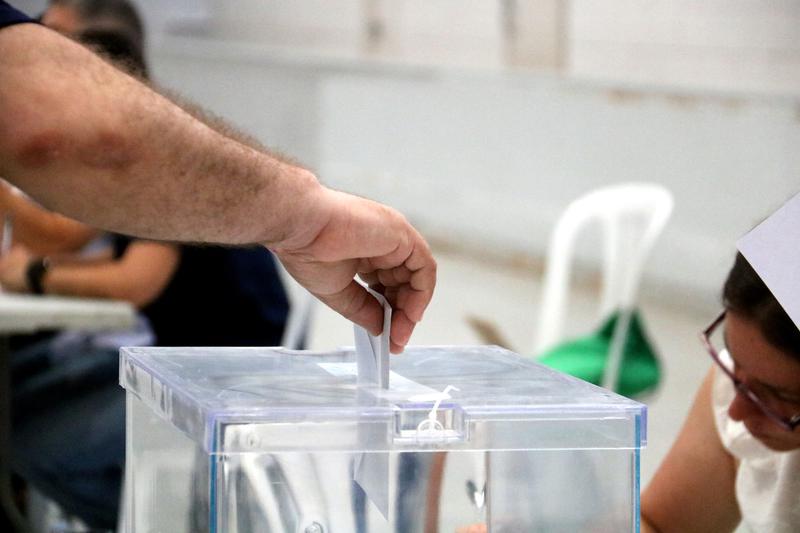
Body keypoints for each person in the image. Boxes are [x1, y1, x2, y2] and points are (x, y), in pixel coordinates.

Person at [0, 1, 436, 354]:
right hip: (200, 350)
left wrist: (40, 273)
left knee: (32, 432)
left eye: (46, 33)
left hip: (233, 361)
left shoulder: (151, 165)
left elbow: (133, 276)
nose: (34, 39)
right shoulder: (150, 158)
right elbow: (70, 236)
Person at [640, 252, 800, 532]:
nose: (736, 411)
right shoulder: (743, 384)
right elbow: (660, 525)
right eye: (735, 363)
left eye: (778, 397)